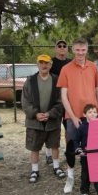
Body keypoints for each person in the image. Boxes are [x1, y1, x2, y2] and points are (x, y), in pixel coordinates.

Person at [57, 38, 98, 193]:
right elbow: (63, 95)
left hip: (91, 117)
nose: (80, 53)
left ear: (87, 50)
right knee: (71, 148)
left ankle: (91, 179)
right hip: (73, 117)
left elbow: (97, 90)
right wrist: (73, 116)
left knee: (91, 149)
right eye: (77, 50)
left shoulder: (93, 67)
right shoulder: (66, 69)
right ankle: (70, 178)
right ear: (72, 50)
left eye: (83, 50)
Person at [22, 54, 65, 183]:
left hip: (52, 121)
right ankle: (35, 170)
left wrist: (50, 113)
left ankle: (56, 167)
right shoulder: (30, 80)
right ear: (37, 64)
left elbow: (60, 101)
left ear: (50, 65)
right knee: (34, 147)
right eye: (41, 63)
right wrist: (36, 114)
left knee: (54, 145)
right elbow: (25, 101)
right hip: (35, 122)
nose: (44, 65)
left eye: (46, 63)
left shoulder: (56, 80)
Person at [74, 104, 98, 195]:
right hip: (85, 155)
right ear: (84, 115)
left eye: (94, 112)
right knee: (85, 174)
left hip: (97, 154)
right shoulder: (82, 127)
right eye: (90, 112)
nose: (93, 114)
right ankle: (84, 191)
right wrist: (78, 149)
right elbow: (76, 140)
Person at [44, 40, 71, 166]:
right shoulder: (50, 63)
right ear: (55, 48)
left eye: (64, 46)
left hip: (67, 100)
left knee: (68, 128)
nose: (62, 48)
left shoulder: (71, 62)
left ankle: (68, 152)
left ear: (67, 48)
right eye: (59, 46)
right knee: (51, 128)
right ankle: (48, 154)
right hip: (53, 99)